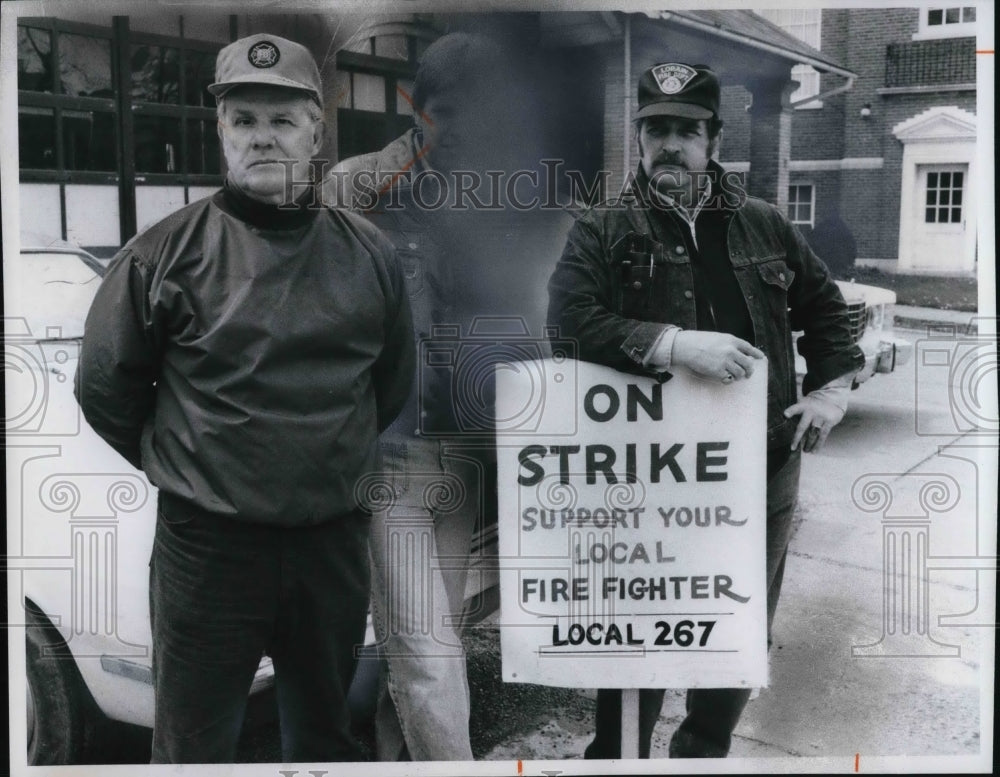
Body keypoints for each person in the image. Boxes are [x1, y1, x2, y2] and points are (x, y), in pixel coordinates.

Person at [75, 33, 414, 764]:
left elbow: (389, 383)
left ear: (318, 133)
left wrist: (318, 459)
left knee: (323, 733)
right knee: (196, 742)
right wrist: (198, 464)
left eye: (283, 120)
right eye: (245, 120)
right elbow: (106, 388)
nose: (263, 137)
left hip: (330, 546)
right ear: (221, 130)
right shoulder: (162, 254)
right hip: (210, 552)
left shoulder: (371, 255)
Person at [547, 62, 866, 759]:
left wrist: (832, 385)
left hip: (763, 468)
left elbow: (826, 308)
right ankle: (621, 757)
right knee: (640, 637)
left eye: (686, 131)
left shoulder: (766, 226)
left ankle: (701, 754)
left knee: (731, 633)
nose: (670, 144)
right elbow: (567, 324)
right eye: (656, 129)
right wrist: (672, 343)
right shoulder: (601, 227)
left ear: (713, 139)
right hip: (653, 478)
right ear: (638, 137)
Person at [325, 33, 571, 761]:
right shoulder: (355, 190)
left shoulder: (513, 196)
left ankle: (389, 755)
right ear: (418, 108)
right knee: (427, 655)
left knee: (437, 644)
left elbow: (549, 316)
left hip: (464, 458)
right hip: (386, 460)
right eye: (448, 111)